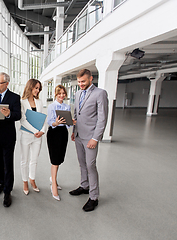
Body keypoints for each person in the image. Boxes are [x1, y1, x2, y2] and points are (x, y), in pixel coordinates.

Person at [70, 69, 108, 212]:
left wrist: (95, 138)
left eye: (83, 81)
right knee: (82, 163)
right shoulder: (78, 92)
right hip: (79, 135)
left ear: (91, 79)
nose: (81, 84)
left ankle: (94, 197)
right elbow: (76, 113)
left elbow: (102, 118)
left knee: (90, 165)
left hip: (91, 137)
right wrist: (74, 131)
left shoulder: (100, 93)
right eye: (79, 82)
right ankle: (84, 186)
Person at [0, 72, 21, 207]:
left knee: (8, 164)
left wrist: (9, 114)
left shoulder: (14, 97)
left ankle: (8, 191)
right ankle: (1, 183)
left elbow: (18, 115)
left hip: (8, 136)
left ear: (6, 84)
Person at [19, 79, 46, 195]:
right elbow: (22, 120)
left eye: (39, 88)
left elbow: (43, 118)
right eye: (36, 88)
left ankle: (32, 180)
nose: (37, 90)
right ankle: (25, 182)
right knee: (24, 160)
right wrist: (36, 131)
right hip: (26, 135)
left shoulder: (39, 102)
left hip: (38, 136)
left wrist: (43, 131)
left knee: (34, 160)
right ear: (30, 87)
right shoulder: (22, 102)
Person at [46, 85, 71, 201]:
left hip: (63, 133)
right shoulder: (51, 106)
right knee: (54, 160)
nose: (61, 95)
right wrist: (56, 123)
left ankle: (54, 179)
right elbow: (49, 122)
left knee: (60, 159)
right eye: (59, 93)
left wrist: (72, 122)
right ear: (55, 94)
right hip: (54, 133)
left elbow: (69, 124)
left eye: (63, 93)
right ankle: (53, 186)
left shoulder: (67, 106)